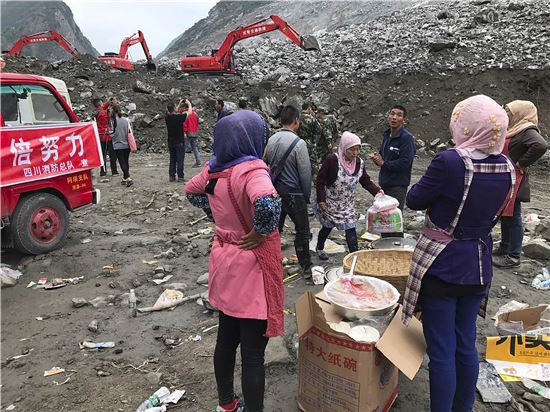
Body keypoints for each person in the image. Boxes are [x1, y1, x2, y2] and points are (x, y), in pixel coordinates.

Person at [402, 95, 514, 412]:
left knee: (441, 350)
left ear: (464, 125)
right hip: (478, 265)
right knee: (465, 344)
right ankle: (463, 407)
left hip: (443, 264)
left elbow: (414, 199)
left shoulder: (450, 162)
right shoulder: (505, 166)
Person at [184, 110, 283, 412]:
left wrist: (215, 213)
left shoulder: (214, 169)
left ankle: (227, 403)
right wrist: (260, 230)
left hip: (224, 261)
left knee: (226, 340)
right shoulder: (252, 170)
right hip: (251, 266)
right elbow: (268, 202)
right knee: (253, 354)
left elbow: (191, 190)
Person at [493, 100, 548, 268]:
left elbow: (540, 145)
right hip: (505, 177)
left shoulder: (527, 130)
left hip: (514, 179)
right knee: (505, 215)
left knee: (514, 216)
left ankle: (514, 256)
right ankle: (505, 247)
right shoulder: (515, 129)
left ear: (519, 113)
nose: (506, 114)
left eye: (509, 112)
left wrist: (522, 162)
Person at [314, 132, 382, 259]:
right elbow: (320, 180)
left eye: (358, 149)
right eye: (352, 149)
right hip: (331, 202)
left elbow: (365, 180)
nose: (355, 153)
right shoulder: (332, 160)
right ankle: (320, 248)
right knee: (327, 227)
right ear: (344, 147)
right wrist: (321, 201)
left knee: (351, 229)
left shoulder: (359, 163)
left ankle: (354, 257)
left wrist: (377, 191)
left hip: (347, 205)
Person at [264, 105, 313, 280]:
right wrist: (306, 195)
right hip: (294, 194)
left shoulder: (271, 140)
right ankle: (305, 266)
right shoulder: (299, 144)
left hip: (274, 192)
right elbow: (305, 173)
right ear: (296, 121)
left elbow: (265, 162)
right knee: (302, 231)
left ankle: (271, 263)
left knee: (275, 230)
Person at [370, 105, 416, 210]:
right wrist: (377, 159)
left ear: (404, 120)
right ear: (388, 116)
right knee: (383, 218)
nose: (394, 117)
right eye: (392, 114)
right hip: (384, 184)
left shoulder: (406, 138)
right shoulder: (387, 135)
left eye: (399, 115)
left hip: (397, 186)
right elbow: (383, 158)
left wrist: (383, 163)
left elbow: (405, 162)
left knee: (394, 219)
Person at [165, 99, 192, 182]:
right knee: (180, 159)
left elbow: (175, 111)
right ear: (174, 108)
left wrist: (179, 104)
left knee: (172, 159)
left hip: (171, 142)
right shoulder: (179, 117)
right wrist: (189, 104)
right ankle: (180, 176)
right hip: (179, 141)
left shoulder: (167, 117)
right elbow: (189, 113)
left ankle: (171, 176)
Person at [92, 97, 119, 177]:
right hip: (106, 136)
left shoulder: (95, 112)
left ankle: (103, 172)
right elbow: (107, 114)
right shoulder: (103, 113)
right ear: (100, 104)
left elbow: (102, 109)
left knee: (102, 155)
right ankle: (114, 171)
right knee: (112, 155)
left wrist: (108, 102)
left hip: (99, 136)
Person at [111, 105, 133, 187]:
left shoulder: (113, 121)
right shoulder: (126, 120)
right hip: (127, 144)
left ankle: (128, 178)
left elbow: (112, 134)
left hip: (117, 145)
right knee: (126, 161)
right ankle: (124, 178)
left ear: (113, 112)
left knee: (122, 162)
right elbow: (130, 131)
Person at [297, 102, 322, 172]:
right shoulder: (311, 118)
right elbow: (319, 130)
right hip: (309, 143)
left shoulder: (297, 118)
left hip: (297, 142)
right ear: (309, 108)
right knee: (313, 163)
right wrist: (315, 141)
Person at [183, 101, 202, 167]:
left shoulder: (185, 114)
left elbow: (184, 124)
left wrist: (184, 132)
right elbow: (197, 123)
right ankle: (199, 162)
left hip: (188, 133)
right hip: (195, 133)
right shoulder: (195, 114)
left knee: (183, 148)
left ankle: (180, 162)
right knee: (195, 148)